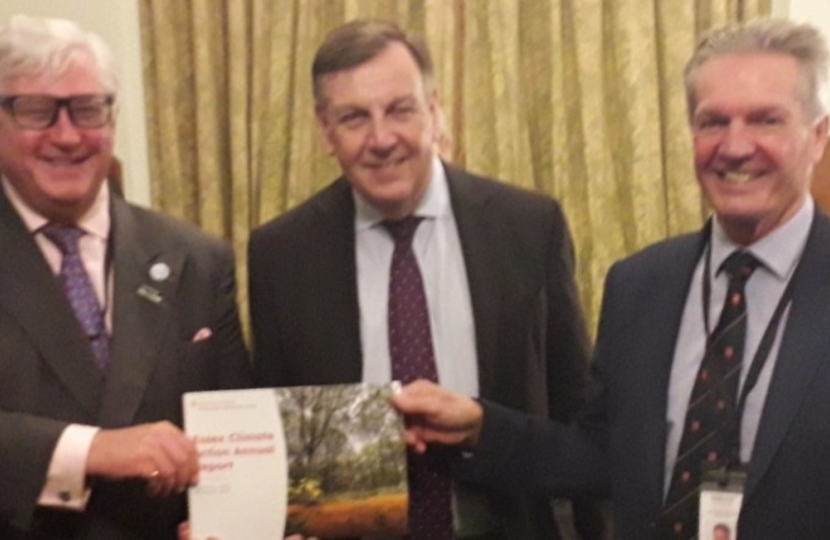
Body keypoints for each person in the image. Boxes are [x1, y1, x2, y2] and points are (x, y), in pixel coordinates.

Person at [393, 18, 830, 540]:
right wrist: (480, 428)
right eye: (713, 122)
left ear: (818, 136)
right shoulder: (641, 284)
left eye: (765, 121)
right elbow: (600, 454)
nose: (735, 147)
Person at [248, 18, 603, 540]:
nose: (381, 138)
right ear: (325, 130)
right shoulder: (281, 254)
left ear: (435, 110)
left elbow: (580, 426)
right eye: (354, 118)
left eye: (400, 109)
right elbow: (276, 437)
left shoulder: (528, 228)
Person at [0, 15, 250, 540]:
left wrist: (237, 522)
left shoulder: (199, 260)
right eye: (37, 111)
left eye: (88, 109)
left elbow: (236, 434)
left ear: (113, 118)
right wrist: (89, 449)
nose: (67, 135)